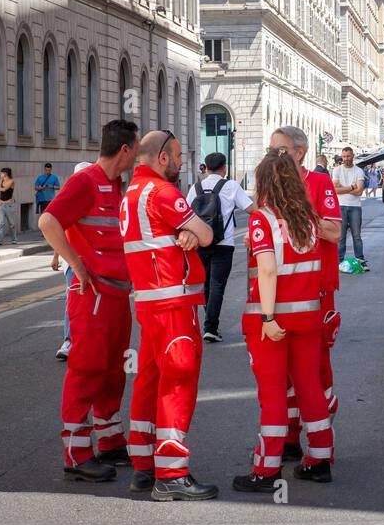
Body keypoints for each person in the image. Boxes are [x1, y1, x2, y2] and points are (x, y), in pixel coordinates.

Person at [38, 121, 139, 482]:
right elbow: (48, 221)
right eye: (136, 147)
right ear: (124, 150)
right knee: (86, 371)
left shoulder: (115, 184)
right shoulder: (85, 181)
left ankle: (109, 440)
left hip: (116, 295)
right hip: (93, 296)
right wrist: (76, 265)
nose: (138, 154)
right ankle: (76, 453)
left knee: (113, 371)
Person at [232, 148, 335, 493]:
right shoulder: (307, 218)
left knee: (274, 392)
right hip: (308, 316)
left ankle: (266, 468)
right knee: (309, 386)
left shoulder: (263, 219)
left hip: (275, 322)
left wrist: (267, 315)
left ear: (264, 183)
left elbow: (268, 269)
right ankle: (319, 459)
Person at [122, 129, 218, 501]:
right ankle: (172, 474)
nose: (181, 163)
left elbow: (185, 234)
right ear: (162, 158)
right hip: (174, 303)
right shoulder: (163, 193)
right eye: (177, 157)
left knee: (148, 381)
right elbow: (206, 234)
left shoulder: (132, 193)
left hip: (149, 303)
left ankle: (144, 466)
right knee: (178, 384)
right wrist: (195, 234)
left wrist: (189, 234)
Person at [267, 126, 342, 458]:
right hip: (279, 291)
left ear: (299, 152)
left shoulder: (320, 183)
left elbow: (335, 231)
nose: (272, 156)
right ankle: (289, 437)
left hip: (316, 289)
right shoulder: (270, 185)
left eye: (278, 150)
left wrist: (299, 217)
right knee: (281, 368)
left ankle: (321, 442)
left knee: (314, 369)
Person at [186, 151, 256, 343]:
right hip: (224, 243)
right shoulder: (230, 185)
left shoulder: (196, 187)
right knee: (217, 285)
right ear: (224, 168)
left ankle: (209, 323)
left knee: (205, 284)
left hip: (201, 242)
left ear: (206, 168)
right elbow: (251, 209)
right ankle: (211, 326)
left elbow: (187, 214)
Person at [55, 161, 95, 361]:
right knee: (73, 300)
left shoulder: (97, 198)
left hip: (95, 261)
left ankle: (88, 341)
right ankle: (69, 340)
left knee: (93, 302)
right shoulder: (68, 200)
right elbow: (55, 227)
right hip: (73, 261)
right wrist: (57, 256)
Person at [332, 146, 367, 269]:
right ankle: (339, 261)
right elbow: (335, 190)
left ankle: (360, 260)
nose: (346, 159)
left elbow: (359, 192)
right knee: (341, 237)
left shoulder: (358, 171)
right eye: (344, 156)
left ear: (353, 156)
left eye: (348, 156)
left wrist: (343, 188)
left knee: (356, 236)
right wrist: (352, 187)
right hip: (341, 206)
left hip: (355, 206)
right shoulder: (336, 170)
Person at [0, 167, 18, 245]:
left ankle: (14, 239)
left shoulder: (11, 181)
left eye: (1, 173)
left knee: (12, 224)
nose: (0, 174)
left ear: (5, 174)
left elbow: (4, 190)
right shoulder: (2, 181)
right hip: (1, 205)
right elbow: (1, 194)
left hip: (9, 205)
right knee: (1, 223)